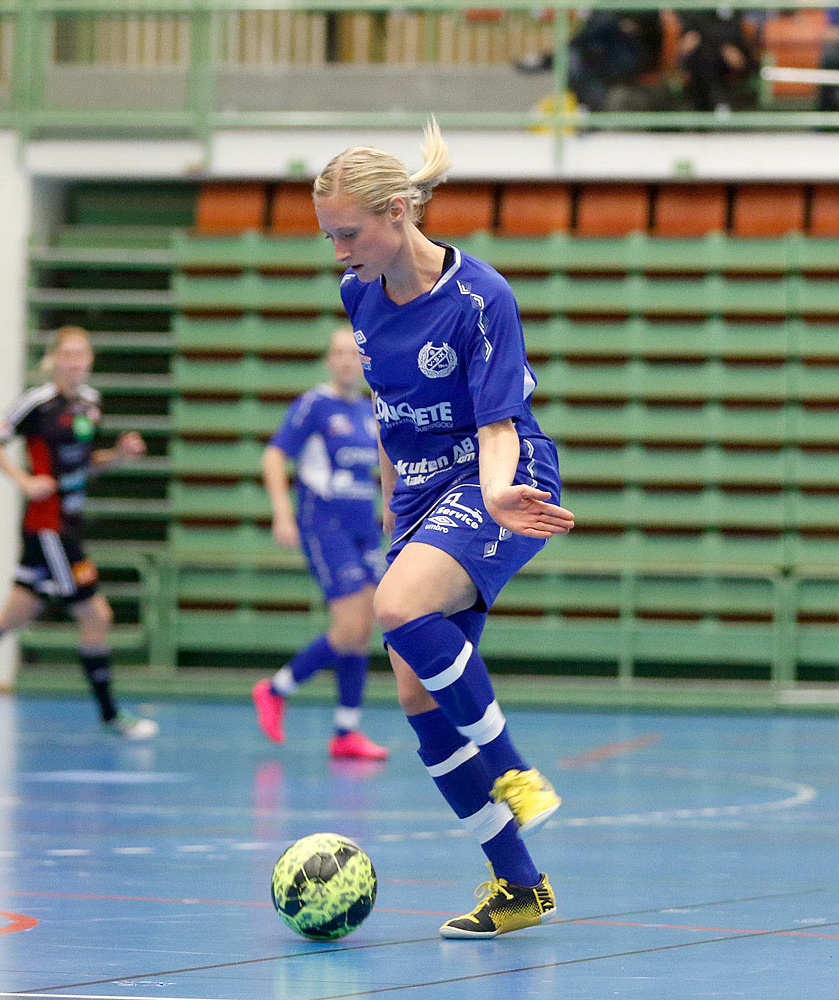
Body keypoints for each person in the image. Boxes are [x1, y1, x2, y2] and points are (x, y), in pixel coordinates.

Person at [312, 119, 576, 938]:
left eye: (348, 234)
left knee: (396, 608)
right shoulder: (359, 294)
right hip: (422, 494)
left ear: (397, 212)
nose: (337, 252)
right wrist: (398, 518)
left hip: (501, 476)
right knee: (413, 688)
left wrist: (497, 492)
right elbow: (393, 423)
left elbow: (498, 425)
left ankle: (516, 770)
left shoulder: (479, 297)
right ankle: (520, 886)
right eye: (328, 237)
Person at [0, 326, 157, 739]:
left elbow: (85, 463)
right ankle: (111, 715)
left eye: (81, 354)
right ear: (53, 359)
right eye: (67, 354)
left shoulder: (91, 403)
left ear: (90, 360)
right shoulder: (36, 403)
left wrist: (118, 455)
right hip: (49, 526)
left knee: (12, 616)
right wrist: (23, 480)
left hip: (69, 522)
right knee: (96, 615)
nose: (74, 361)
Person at [252, 327, 390, 761]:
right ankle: (275, 689)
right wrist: (282, 512)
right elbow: (274, 456)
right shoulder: (314, 405)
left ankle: (345, 732)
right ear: (329, 360)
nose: (347, 360)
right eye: (339, 353)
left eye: (354, 353)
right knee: (348, 626)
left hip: (363, 527)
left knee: (363, 629)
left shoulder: (371, 409)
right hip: (323, 524)